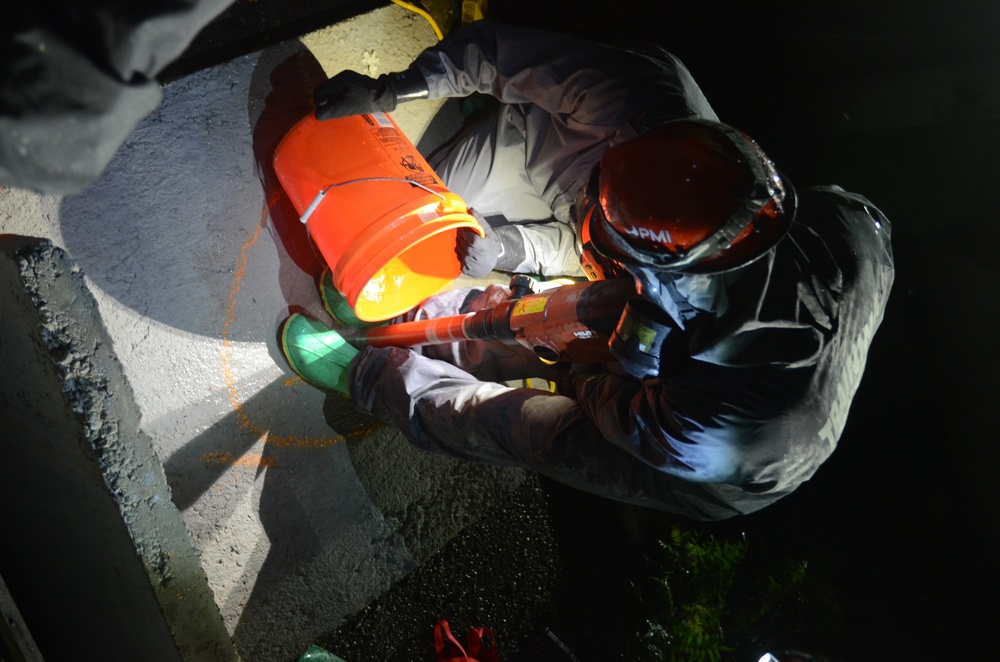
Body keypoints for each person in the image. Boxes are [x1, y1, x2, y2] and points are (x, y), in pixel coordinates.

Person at [280, 21, 895, 521]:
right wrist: (397, 89)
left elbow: (603, 391)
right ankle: (417, 320)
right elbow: (504, 53)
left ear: (662, 270)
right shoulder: (656, 104)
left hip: (709, 455)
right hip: (721, 332)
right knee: (542, 317)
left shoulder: (717, 437)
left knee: (521, 423)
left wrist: (575, 366)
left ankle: (370, 378)